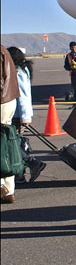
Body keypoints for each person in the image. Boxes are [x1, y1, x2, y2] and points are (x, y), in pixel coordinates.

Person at [7, 47, 46, 183]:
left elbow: (23, 96)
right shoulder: (21, 71)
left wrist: (24, 116)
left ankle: (32, 163)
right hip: (17, 114)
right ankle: (19, 174)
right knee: (16, 144)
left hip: (17, 115)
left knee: (13, 146)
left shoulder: (19, 73)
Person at [1, 44, 21, 203]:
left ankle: (2, 186)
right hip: (9, 99)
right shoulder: (3, 51)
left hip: (2, 100)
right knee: (6, 143)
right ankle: (8, 189)